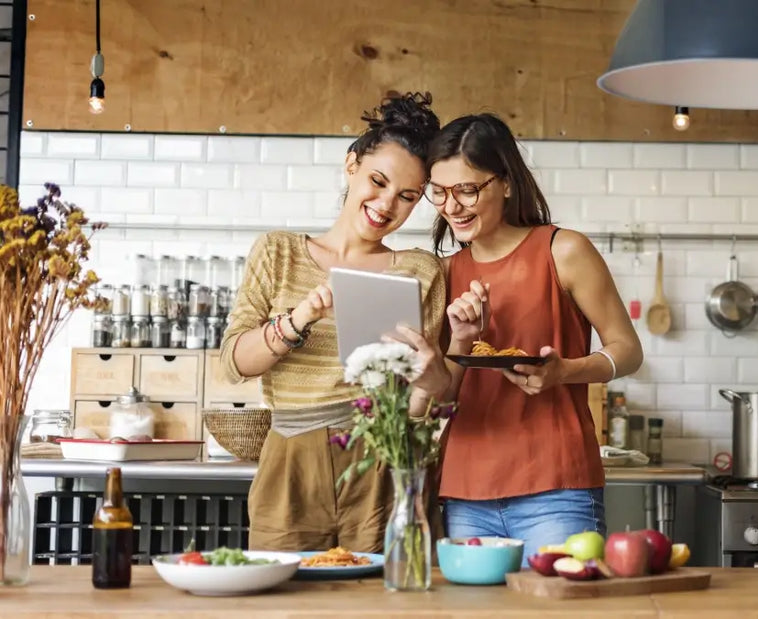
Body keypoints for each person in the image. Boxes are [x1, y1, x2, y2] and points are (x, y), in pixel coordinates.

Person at [219, 92, 451, 552]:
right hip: (291, 456)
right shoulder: (278, 252)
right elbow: (233, 364)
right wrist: (300, 317)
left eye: (407, 197)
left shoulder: (422, 270)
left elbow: (419, 402)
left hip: (382, 458)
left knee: (382, 602)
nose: (386, 205)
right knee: (283, 601)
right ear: (351, 166)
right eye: (378, 181)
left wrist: (429, 380)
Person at [427, 113, 643, 558]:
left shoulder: (563, 250)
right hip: (467, 487)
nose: (452, 206)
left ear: (505, 183)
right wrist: (460, 342)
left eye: (467, 189)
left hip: (556, 487)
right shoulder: (445, 272)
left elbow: (628, 350)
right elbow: (443, 395)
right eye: (440, 192)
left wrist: (565, 372)